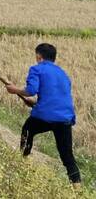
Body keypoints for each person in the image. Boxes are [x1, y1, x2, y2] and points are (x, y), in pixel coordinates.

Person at [6, 43, 81, 185]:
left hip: (45, 116)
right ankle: (77, 186)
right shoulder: (63, 74)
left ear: (39, 57)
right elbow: (56, 98)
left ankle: (22, 163)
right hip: (65, 118)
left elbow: (31, 90)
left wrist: (14, 89)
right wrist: (34, 103)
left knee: (27, 129)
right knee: (66, 155)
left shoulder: (37, 69)